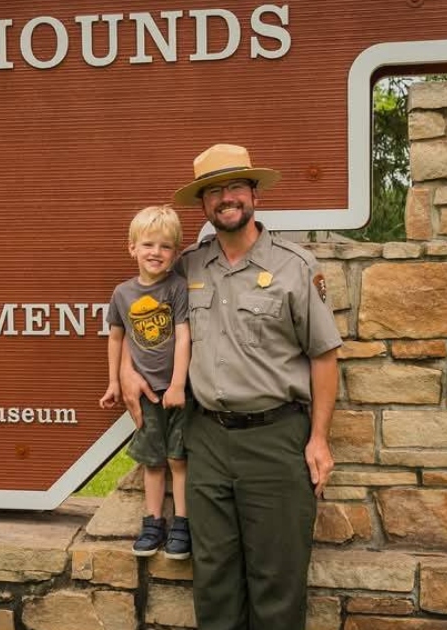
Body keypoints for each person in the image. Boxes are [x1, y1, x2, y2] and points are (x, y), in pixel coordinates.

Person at [121, 144, 342, 629]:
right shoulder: (189, 268)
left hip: (276, 440)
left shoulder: (294, 267)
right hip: (206, 440)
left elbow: (324, 356)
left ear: (254, 194)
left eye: (234, 187)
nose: (225, 198)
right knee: (215, 579)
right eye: (213, 191)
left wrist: (319, 439)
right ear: (203, 205)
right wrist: (126, 369)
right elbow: (141, 312)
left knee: (277, 582)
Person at [100, 204, 194, 560]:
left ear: (176, 252)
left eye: (165, 246)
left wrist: (177, 385)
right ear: (132, 248)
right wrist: (114, 382)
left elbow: (183, 337)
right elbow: (115, 339)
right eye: (148, 245)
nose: (156, 253)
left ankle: (182, 523)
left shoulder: (177, 288)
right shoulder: (122, 294)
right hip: (146, 395)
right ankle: (153, 523)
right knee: (153, 462)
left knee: (179, 460)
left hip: (176, 393)